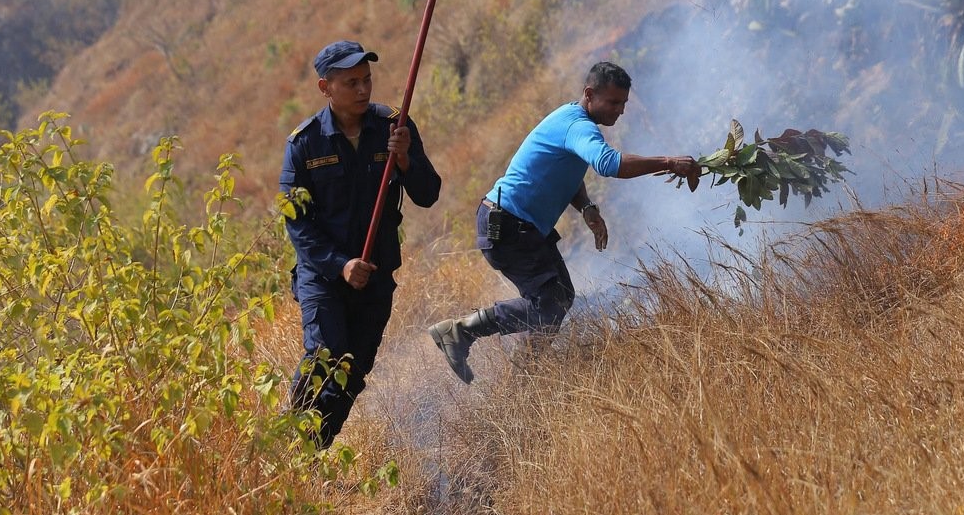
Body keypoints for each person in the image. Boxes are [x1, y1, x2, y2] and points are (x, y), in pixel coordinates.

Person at [428, 61, 700, 383]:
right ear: (589, 94)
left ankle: (524, 379)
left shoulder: (573, 121)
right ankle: (461, 331)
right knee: (548, 305)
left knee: (560, 299)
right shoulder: (578, 126)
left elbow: (567, 172)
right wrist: (669, 162)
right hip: (509, 226)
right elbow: (608, 163)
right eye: (613, 103)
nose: (619, 111)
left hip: (519, 226)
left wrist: (586, 208)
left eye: (623, 104)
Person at [280, 40, 441, 447]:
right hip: (324, 278)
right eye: (351, 83)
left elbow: (428, 193)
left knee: (352, 372)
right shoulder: (304, 144)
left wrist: (405, 160)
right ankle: (287, 445)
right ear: (325, 88)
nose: (363, 90)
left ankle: (311, 453)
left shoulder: (394, 125)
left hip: (375, 276)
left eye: (367, 80)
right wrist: (340, 264)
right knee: (325, 357)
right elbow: (297, 226)